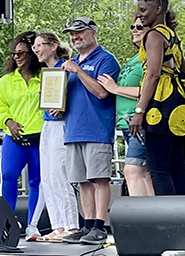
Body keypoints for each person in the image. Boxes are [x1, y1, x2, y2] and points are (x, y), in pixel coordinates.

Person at [61, 17, 120, 245]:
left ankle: (99, 225)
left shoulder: (106, 59)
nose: (75, 37)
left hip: (96, 128)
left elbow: (102, 92)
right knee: (81, 181)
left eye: (80, 32)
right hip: (74, 129)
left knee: (99, 178)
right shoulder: (72, 62)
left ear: (93, 33)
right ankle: (87, 225)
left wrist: (78, 70)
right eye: (72, 34)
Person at [129, 0, 185, 195]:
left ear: (158, 9)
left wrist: (139, 111)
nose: (139, 15)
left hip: (160, 104)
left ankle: (169, 222)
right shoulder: (171, 34)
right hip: (178, 102)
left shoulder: (154, 35)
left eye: (143, 10)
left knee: (159, 168)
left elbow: (153, 75)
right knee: (177, 166)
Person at [0, 31, 44, 241]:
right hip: (15, 138)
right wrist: (8, 121)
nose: (16, 57)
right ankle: (8, 222)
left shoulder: (44, 77)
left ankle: (33, 225)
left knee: (37, 181)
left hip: (39, 137)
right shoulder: (5, 82)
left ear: (33, 54)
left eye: (21, 53)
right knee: (9, 176)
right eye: (14, 53)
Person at [97, 17, 154, 196]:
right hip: (126, 123)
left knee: (132, 170)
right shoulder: (134, 59)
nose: (134, 30)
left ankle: (140, 219)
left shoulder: (151, 57)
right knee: (144, 173)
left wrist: (115, 88)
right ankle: (153, 218)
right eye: (133, 27)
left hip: (141, 121)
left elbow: (150, 88)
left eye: (140, 27)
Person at [31, 32, 79, 242]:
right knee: (47, 177)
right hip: (48, 124)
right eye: (35, 46)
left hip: (62, 125)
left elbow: (75, 95)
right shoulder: (47, 72)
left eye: (40, 45)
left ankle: (71, 225)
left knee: (60, 174)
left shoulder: (65, 67)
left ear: (53, 46)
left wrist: (62, 106)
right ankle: (57, 225)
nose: (36, 49)